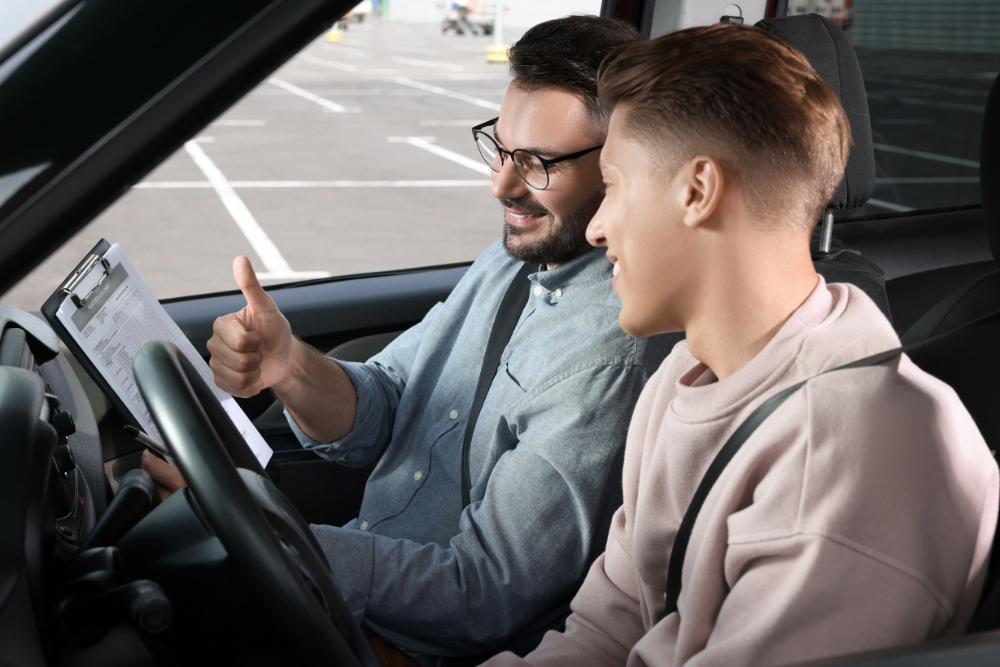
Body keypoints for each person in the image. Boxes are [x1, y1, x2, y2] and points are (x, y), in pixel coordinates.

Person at [142, 15, 679, 666]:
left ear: (622, 164)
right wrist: (288, 365)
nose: (501, 185)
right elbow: (390, 402)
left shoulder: (609, 353)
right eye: (501, 149)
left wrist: (274, 539)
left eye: (537, 164)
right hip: (356, 605)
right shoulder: (511, 262)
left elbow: (482, 594)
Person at [482, 23, 1000, 667]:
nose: (598, 229)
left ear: (698, 191)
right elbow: (606, 631)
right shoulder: (686, 374)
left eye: (613, 186)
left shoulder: (846, 463)